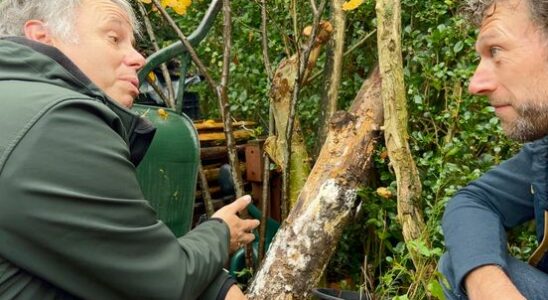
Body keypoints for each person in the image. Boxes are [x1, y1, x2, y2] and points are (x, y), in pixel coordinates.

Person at [0, 0, 259, 299]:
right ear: (43, 37)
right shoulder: (58, 121)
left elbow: (118, 261)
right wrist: (221, 232)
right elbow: (165, 282)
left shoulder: (20, 106)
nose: (137, 57)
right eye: (114, 38)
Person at [439, 0, 548, 299]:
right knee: (463, 264)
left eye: (496, 51)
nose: (476, 84)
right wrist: (487, 285)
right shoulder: (543, 152)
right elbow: (474, 201)